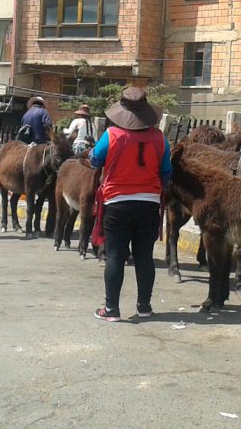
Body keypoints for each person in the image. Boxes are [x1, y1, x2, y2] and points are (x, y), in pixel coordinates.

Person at [89, 87, 172, 322]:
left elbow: (95, 160)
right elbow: (167, 172)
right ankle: (144, 306)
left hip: (117, 203)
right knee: (144, 256)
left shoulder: (112, 134)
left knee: (115, 255)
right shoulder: (159, 138)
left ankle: (111, 309)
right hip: (149, 204)